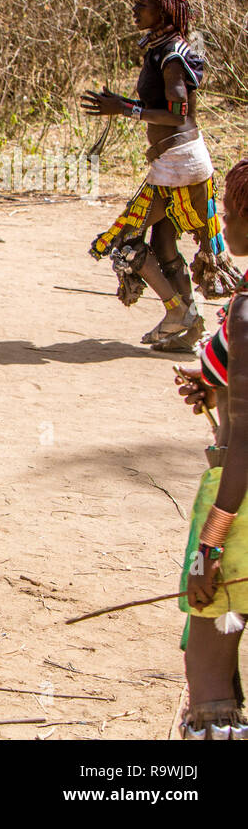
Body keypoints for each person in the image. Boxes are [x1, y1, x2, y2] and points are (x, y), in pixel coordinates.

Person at [82, 0, 239, 352]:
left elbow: (178, 115)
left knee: (125, 241)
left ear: (164, 10)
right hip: (179, 161)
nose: (135, 11)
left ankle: (177, 312)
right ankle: (189, 323)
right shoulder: (165, 48)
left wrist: (125, 109)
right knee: (164, 242)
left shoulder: (171, 55)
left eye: (142, 6)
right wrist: (123, 105)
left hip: (179, 163)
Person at [172, 156, 248, 738]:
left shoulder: (246, 314)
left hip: (238, 501)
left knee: (212, 647)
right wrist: (214, 382)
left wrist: (211, 544)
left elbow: (244, 440)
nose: (219, 215)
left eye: (225, 204)